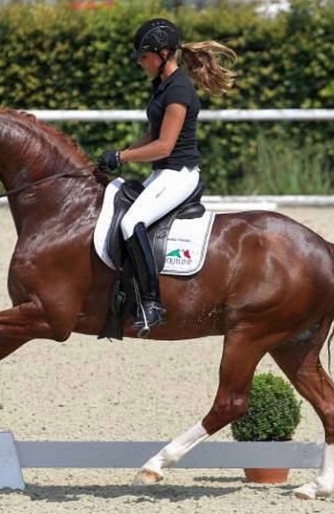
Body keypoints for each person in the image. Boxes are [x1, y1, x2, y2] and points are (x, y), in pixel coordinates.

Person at [97, 18, 237, 337]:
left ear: (163, 53)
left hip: (179, 174)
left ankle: (152, 304)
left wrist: (122, 157)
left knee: (131, 224)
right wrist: (121, 153)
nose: (140, 62)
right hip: (164, 173)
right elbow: (151, 133)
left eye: (144, 56)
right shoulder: (161, 85)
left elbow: (164, 145)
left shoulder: (179, 90)